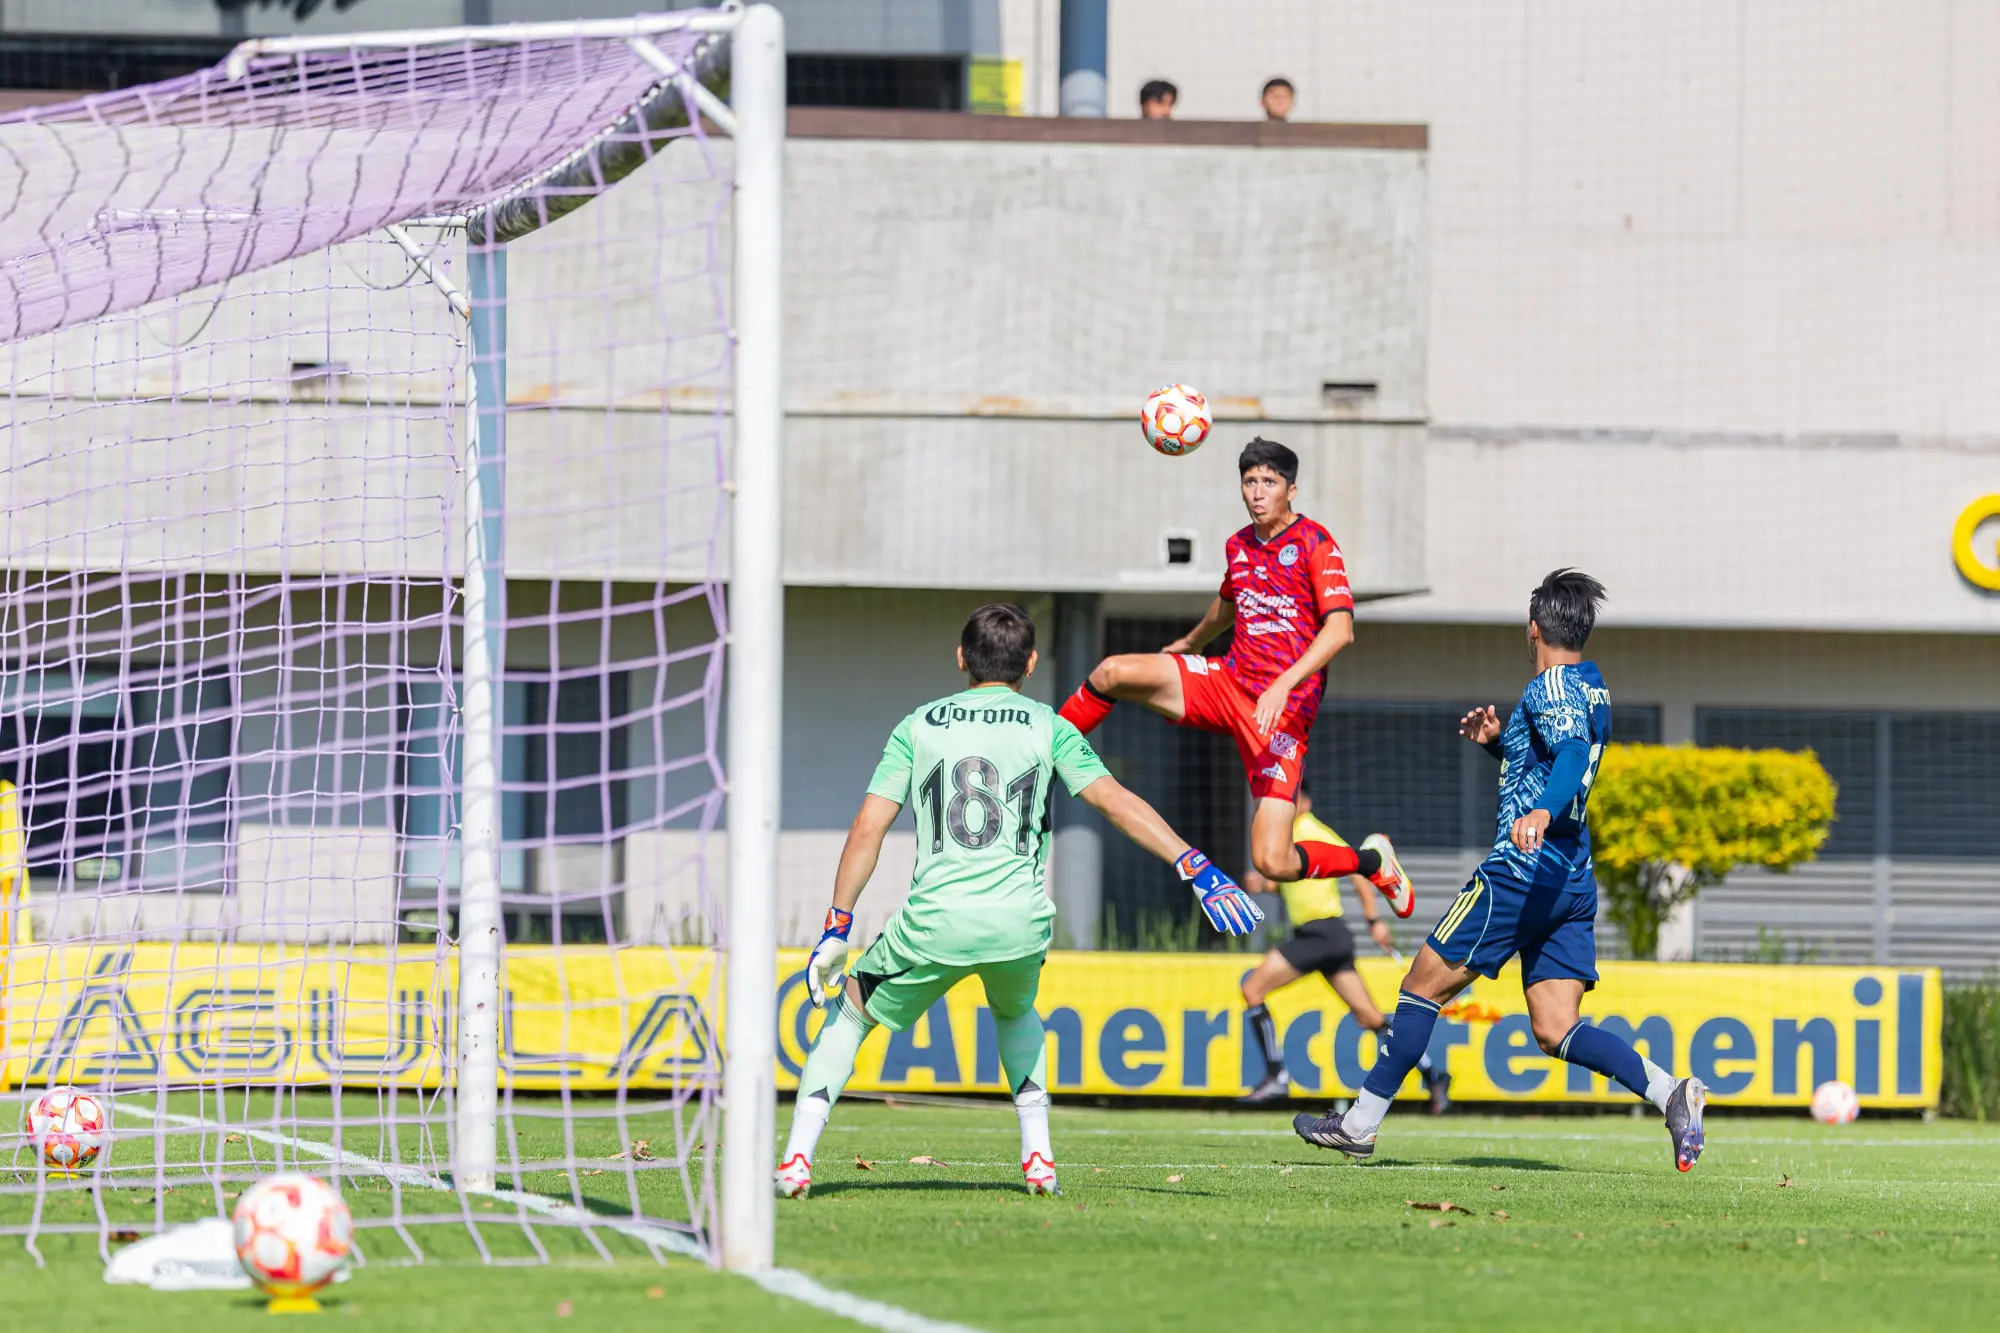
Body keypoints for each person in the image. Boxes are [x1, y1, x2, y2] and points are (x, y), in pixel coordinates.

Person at [776, 604, 1262, 1201]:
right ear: (1030, 664)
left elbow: (866, 829)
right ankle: (1039, 1159)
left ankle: (797, 1161)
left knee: (851, 1013)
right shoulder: (1049, 726)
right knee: (1015, 1013)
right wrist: (1196, 865)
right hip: (1020, 924)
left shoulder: (919, 725)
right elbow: (1114, 800)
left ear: (961, 657)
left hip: (936, 923)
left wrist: (837, 926)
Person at [1292, 570, 1709, 1170]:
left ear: (1533, 629)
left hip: (1520, 872)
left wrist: (1541, 810)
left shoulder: (1548, 687)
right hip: (1570, 876)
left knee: (1420, 987)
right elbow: (1557, 753)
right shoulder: (1592, 686)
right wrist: (1499, 742)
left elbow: (1569, 756)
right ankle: (1671, 1092)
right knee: (1556, 1027)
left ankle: (1359, 1124)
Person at [1055, 437, 1416, 920]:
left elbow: (1340, 630)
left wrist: (1284, 683)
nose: (1258, 492)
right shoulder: (1239, 545)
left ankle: (1372, 862)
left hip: (1281, 715)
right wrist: (1192, 641)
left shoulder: (1317, 543)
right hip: (1226, 683)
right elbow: (1229, 601)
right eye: (1250, 482)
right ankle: (1046, 747)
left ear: (1291, 490)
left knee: (1272, 861)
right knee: (1112, 671)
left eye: (1269, 482)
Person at [1237, 788, 1446, 1110]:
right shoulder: (1293, 835)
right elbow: (1290, 881)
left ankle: (1276, 1075)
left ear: (1305, 802)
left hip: (1321, 934)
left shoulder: (1310, 830)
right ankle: (1433, 1075)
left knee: (1252, 989)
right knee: (1370, 1018)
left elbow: (1362, 872)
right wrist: (1263, 885)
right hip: (1327, 937)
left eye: (1289, 800)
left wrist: (1374, 920)